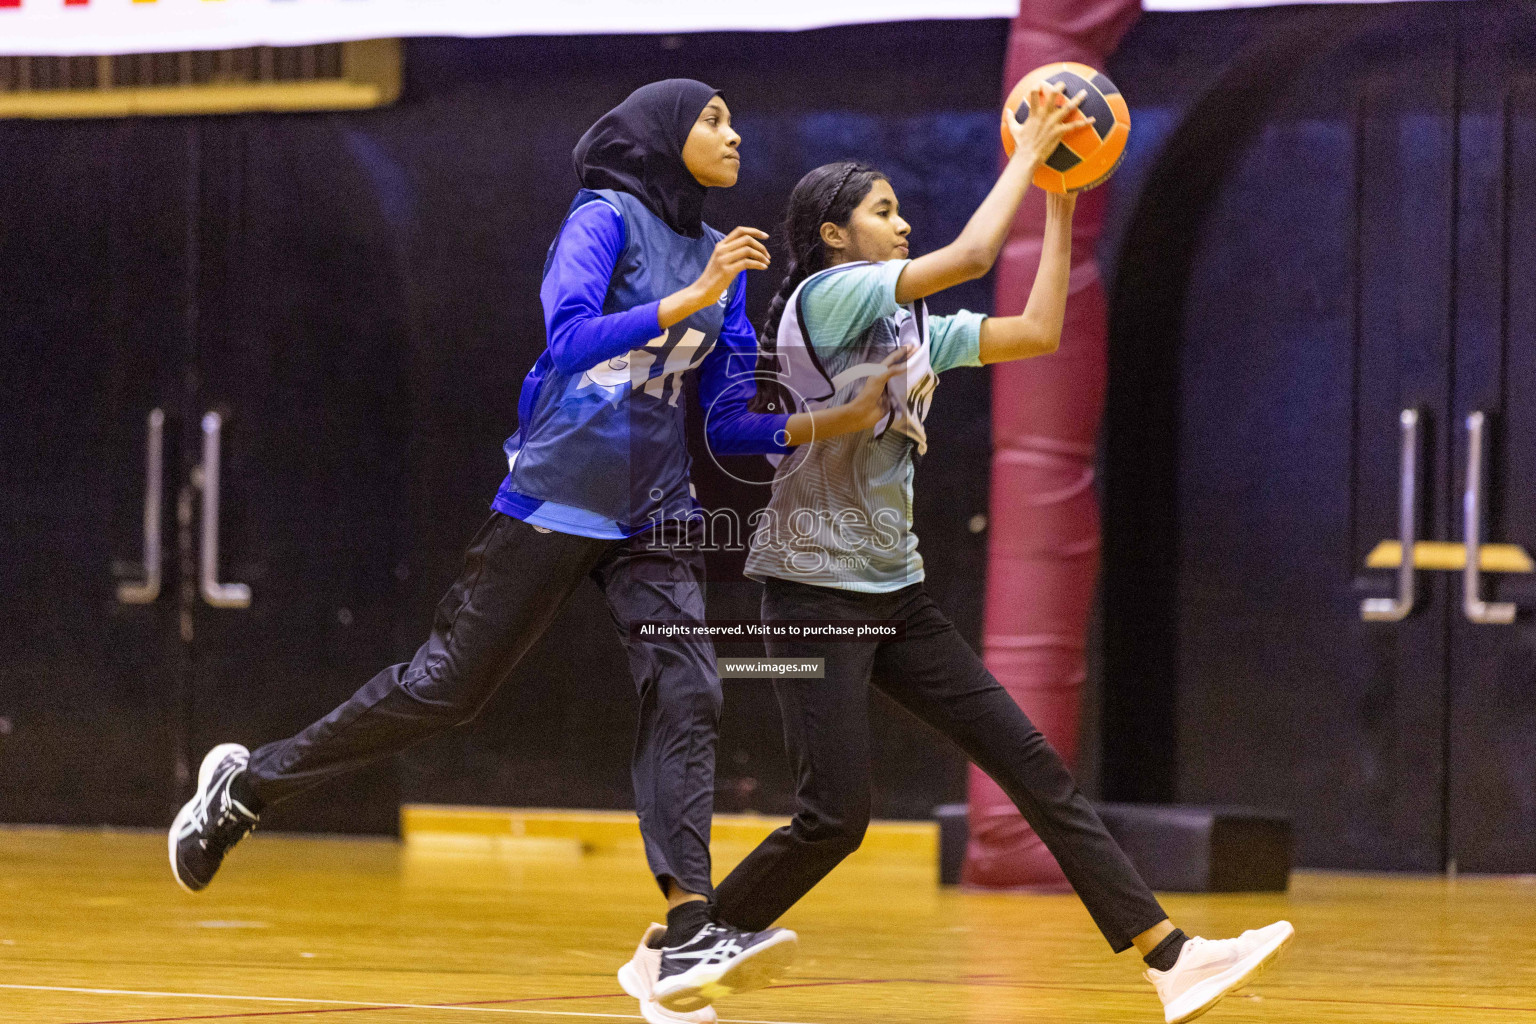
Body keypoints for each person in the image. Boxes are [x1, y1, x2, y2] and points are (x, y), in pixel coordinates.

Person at [166, 79, 903, 1024]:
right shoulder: (602, 219)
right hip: (556, 497)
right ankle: (247, 786)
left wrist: (837, 417)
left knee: (689, 688)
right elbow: (568, 341)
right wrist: (692, 295)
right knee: (445, 690)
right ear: (664, 134)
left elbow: (724, 419)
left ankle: (688, 930)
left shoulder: (726, 259)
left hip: (657, 511)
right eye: (713, 119)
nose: (735, 133)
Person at [694, 84, 1294, 1024]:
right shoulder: (827, 295)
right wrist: (1034, 145)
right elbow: (973, 255)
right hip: (810, 592)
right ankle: (693, 938)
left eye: (899, 209)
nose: (901, 224)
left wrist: (1063, 200)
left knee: (1036, 768)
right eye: (883, 211)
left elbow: (1036, 331)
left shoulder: (910, 329)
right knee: (834, 819)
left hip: (896, 596)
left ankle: (1171, 960)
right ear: (835, 236)